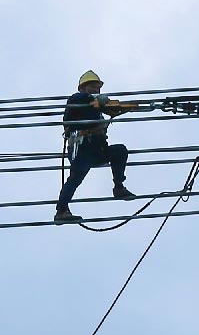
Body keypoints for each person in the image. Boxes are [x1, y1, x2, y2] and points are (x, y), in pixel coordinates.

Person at [55, 70, 148, 223]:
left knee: (119, 151)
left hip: (97, 151)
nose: (96, 90)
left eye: (98, 87)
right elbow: (88, 103)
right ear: (82, 87)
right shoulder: (77, 99)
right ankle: (61, 211)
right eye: (92, 86)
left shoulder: (96, 108)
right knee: (75, 179)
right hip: (82, 150)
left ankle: (118, 187)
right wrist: (99, 102)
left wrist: (127, 107)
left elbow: (102, 106)